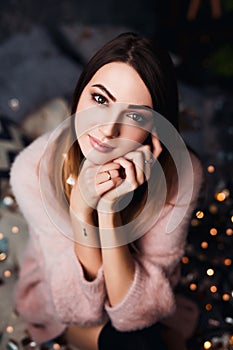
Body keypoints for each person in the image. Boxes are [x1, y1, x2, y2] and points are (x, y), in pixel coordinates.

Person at [10, 32, 203, 350]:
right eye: (99, 99)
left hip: (135, 300)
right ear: (79, 93)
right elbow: (82, 309)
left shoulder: (182, 171)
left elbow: (137, 314)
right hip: (58, 298)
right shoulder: (34, 168)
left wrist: (109, 212)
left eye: (135, 116)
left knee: (140, 339)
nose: (108, 130)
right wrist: (81, 209)